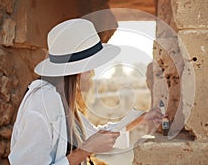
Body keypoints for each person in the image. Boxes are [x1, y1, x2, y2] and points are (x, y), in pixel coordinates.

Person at [8, 18, 163, 165]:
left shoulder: (61, 99)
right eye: (90, 67)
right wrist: (84, 150)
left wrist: (141, 118)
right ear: (77, 69)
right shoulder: (43, 101)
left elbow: (94, 134)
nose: (92, 72)